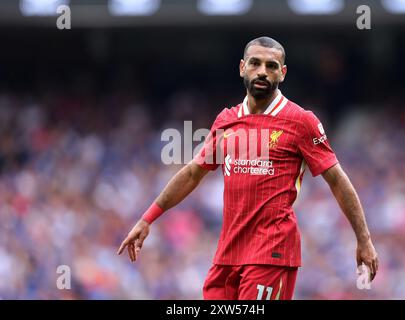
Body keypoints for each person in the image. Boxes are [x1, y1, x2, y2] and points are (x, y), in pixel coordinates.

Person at [117, 36, 379, 300]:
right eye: (255, 63)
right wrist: (147, 218)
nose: (263, 71)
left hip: (271, 253)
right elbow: (193, 173)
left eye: (271, 65)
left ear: (283, 73)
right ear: (242, 67)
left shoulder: (301, 121)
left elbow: (336, 179)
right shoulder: (227, 120)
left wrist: (364, 239)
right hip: (227, 255)